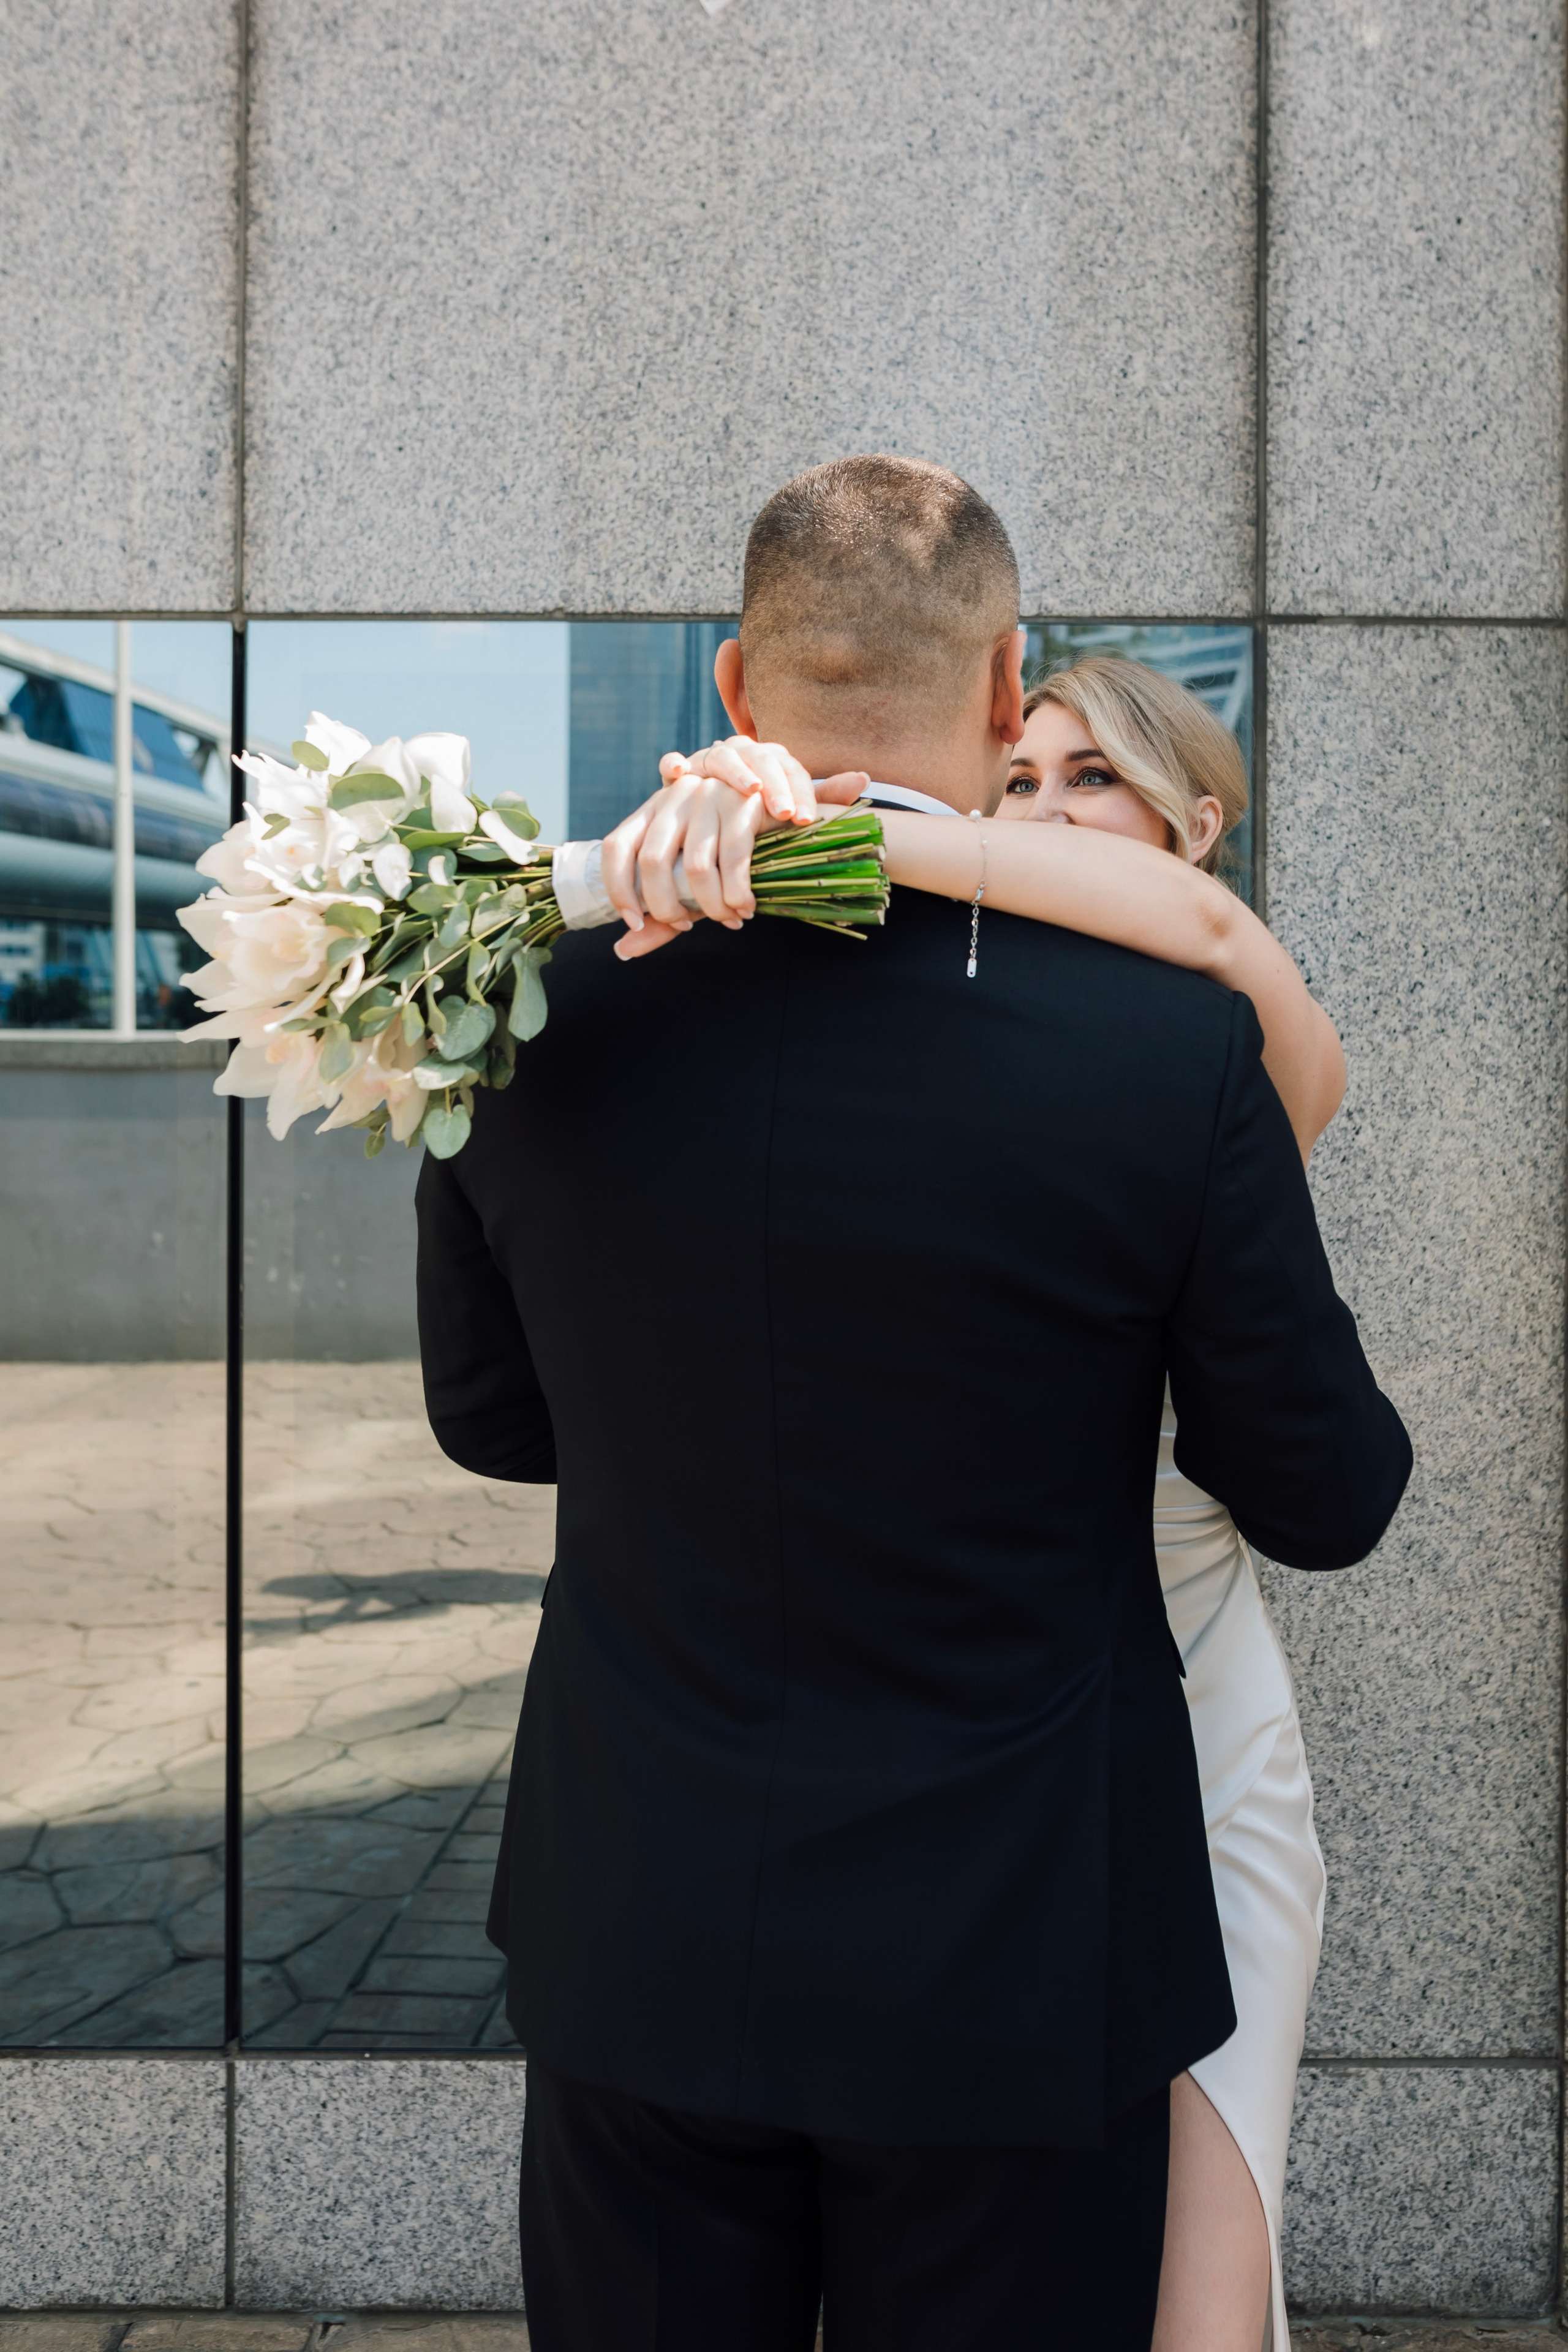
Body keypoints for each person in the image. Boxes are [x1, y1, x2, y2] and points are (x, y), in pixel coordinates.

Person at [415, 454, 1412, 2352]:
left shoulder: (527, 1009)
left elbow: (492, 1419)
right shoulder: (1163, 1048)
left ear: (732, 691)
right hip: (1019, 1962)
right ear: (1002, 680)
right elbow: (1326, 1493)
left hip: (651, 1927)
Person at [611, 652, 1338, 2352]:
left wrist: (838, 825)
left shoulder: (1228, 1034)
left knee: (1206, 2239)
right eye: (1026, 780)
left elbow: (1219, 946)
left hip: (1185, 1700)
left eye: (1096, 783)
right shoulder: (973, 1043)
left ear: (1193, 824)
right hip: (960, 1748)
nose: (1049, 814)